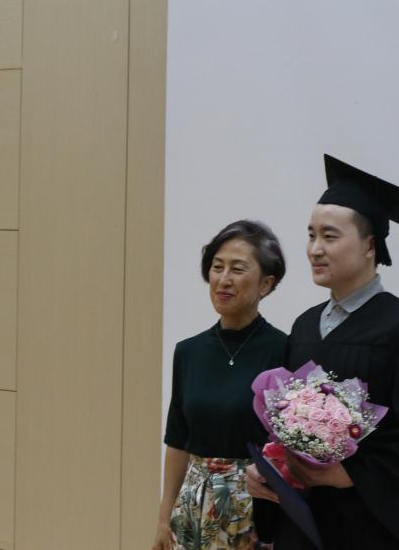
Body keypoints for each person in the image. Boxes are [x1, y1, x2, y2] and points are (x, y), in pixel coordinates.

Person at [248, 155, 399, 549]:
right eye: (311, 235)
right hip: (302, 526)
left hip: (365, 530)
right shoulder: (304, 327)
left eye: (330, 236)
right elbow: (282, 427)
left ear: (369, 245)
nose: (315, 249)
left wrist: (345, 474)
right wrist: (270, 468)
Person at [153, 220, 287, 550]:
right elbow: (178, 440)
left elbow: (288, 450)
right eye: (217, 267)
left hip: (254, 510)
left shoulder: (285, 351)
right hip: (192, 507)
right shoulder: (188, 352)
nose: (223, 279)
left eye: (237, 269)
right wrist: (163, 518)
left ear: (266, 284)